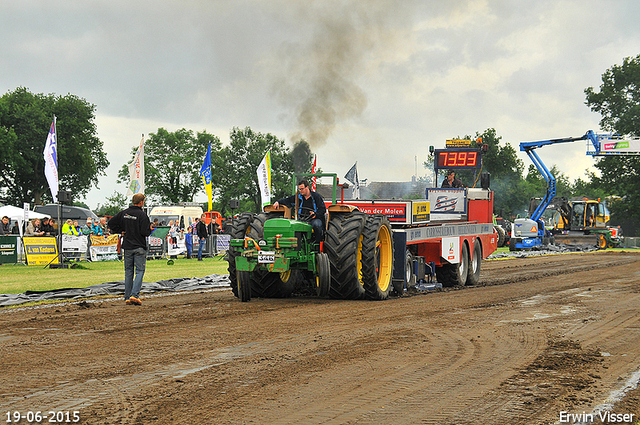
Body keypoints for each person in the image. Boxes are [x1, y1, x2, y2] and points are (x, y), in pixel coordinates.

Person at [108, 193, 155, 306]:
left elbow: (111, 223)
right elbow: (145, 232)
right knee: (139, 271)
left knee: (128, 272)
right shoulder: (142, 215)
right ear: (141, 202)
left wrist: (121, 230)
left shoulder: (124, 213)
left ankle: (127, 296)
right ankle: (135, 295)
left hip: (127, 246)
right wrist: (150, 229)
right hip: (139, 246)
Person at [272, 179, 326, 244]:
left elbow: (322, 209)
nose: (300, 191)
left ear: (307, 187)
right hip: (301, 219)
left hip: (313, 219)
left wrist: (315, 214)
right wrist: (278, 202)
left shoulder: (316, 197)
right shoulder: (298, 197)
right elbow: (288, 200)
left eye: (302, 189)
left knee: (317, 225)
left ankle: (317, 244)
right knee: (292, 226)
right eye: (299, 189)